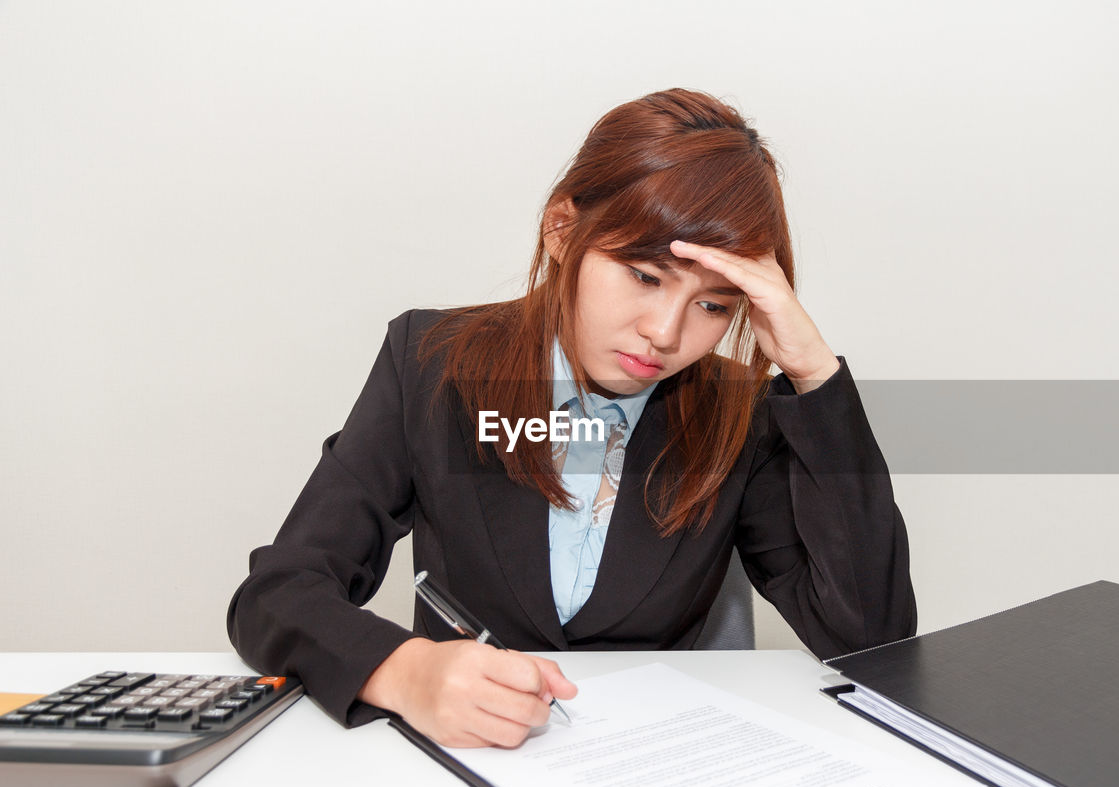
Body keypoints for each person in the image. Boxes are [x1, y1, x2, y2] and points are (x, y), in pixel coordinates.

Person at [227, 88, 916, 749]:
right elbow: (278, 593)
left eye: (715, 305)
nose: (665, 332)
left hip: (657, 779)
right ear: (562, 230)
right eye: (645, 277)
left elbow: (871, 637)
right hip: (460, 766)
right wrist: (405, 671)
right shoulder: (431, 363)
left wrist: (814, 374)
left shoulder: (740, 413)